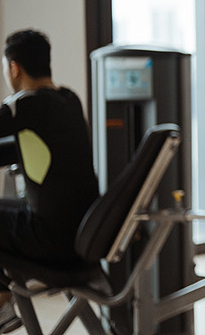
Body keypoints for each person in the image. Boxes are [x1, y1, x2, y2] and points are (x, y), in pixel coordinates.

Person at [0, 29, 99, 332]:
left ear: (14, 67)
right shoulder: (69, 100)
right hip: (82, 234)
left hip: (50, 240)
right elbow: (25, 148)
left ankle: (2, 303)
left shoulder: (24, 104)